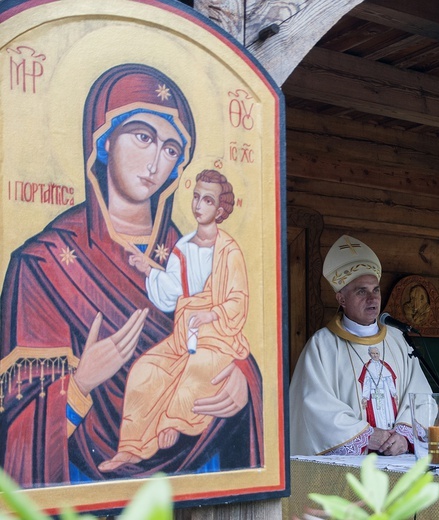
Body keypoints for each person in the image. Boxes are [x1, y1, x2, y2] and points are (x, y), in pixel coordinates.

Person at [0, 64, 261, 486]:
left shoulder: (193, 250)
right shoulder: (43, 263)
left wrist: (242, 382)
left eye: (172, 149)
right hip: (85, 481)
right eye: (144, 137)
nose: (156, 161)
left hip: (195, 468)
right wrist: (81, 382)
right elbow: (15, 424)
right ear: (103, 141)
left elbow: (231, 328)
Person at [99, 169, 256, 472]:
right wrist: (148, 270)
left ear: (221, 209)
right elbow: (172, 294)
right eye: (196, 197)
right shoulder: (182, 247)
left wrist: (211, 313)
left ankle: (171, 422)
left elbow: (238, 300)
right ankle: (130, 448)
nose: (199, 205)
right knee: (146, 370)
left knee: (196, 372)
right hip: (183, 334)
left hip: (218, 337)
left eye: (207, 200)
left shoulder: (229, 251)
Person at [289, 234, 432, 456]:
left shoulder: (398, 340)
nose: (372, 298)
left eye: (375, 290)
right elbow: (315, 407)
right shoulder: (323, 345)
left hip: (400, 458)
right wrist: (365, 436)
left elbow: (421, 397)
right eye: (361, 291)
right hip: (351, 466)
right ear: (341, 299)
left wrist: (404, 437)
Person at [359, 346, 397, 430]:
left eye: (377, 353)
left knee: (387, 409)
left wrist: (393, 393)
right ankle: (379, 427)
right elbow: (366, 383)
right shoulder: (367, 366)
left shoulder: (384, 365)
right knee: (377, 411)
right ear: (369, 354)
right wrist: (365, 397)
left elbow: (389, 379)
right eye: (373, 353)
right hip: (374, 392)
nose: (375, 355)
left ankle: (389, 426)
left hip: (385, 392)